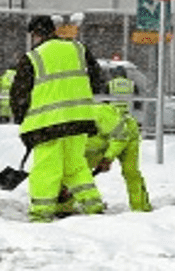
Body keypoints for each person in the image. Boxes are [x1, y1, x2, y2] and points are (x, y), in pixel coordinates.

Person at [10, 15, 106, 222]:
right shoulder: (79, 49)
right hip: (79, 121)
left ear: (35, 34)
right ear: (54, 30)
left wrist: (21, 117)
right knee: (76, 166)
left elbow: (19, 93)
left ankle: (41, 214)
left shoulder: (33, 57)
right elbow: (97, 81)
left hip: (48, 125)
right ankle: (93, 206)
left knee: (46, 169)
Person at [60, 102, 152, 214]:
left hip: (127, 136)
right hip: (101, 141)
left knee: (130, 172)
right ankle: (66, 207)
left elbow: (121, 139)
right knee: (79, 171)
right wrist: (68, 184)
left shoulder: (102, 115)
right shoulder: (70, 131)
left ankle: (140, 206)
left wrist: (108, 158)